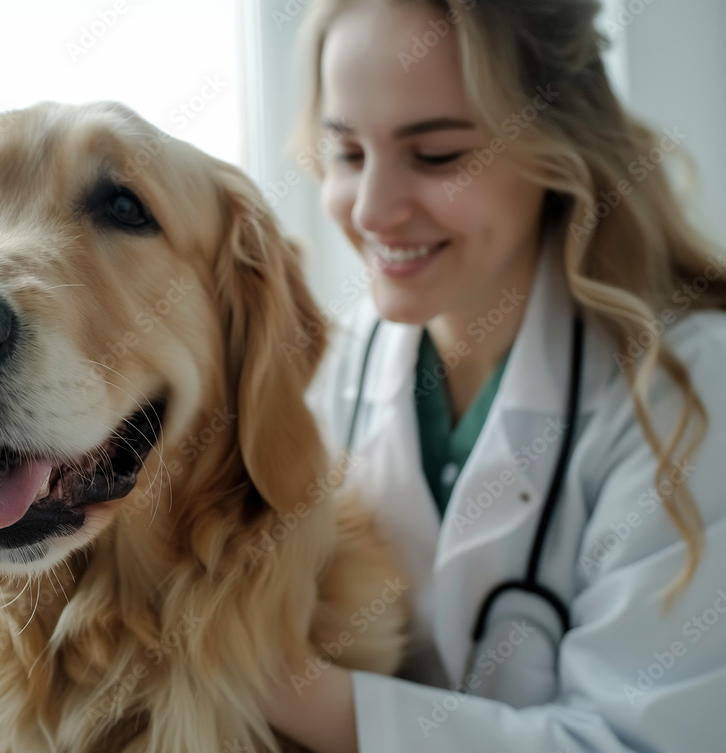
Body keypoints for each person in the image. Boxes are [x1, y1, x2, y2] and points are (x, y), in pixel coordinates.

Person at [258, 1, 726, 751]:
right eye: (347, 155)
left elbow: (640, 739)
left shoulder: (687, 385)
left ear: (556, 144)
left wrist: (299, 695)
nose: (374, 209)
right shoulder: (338, 369)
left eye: (437, 155)